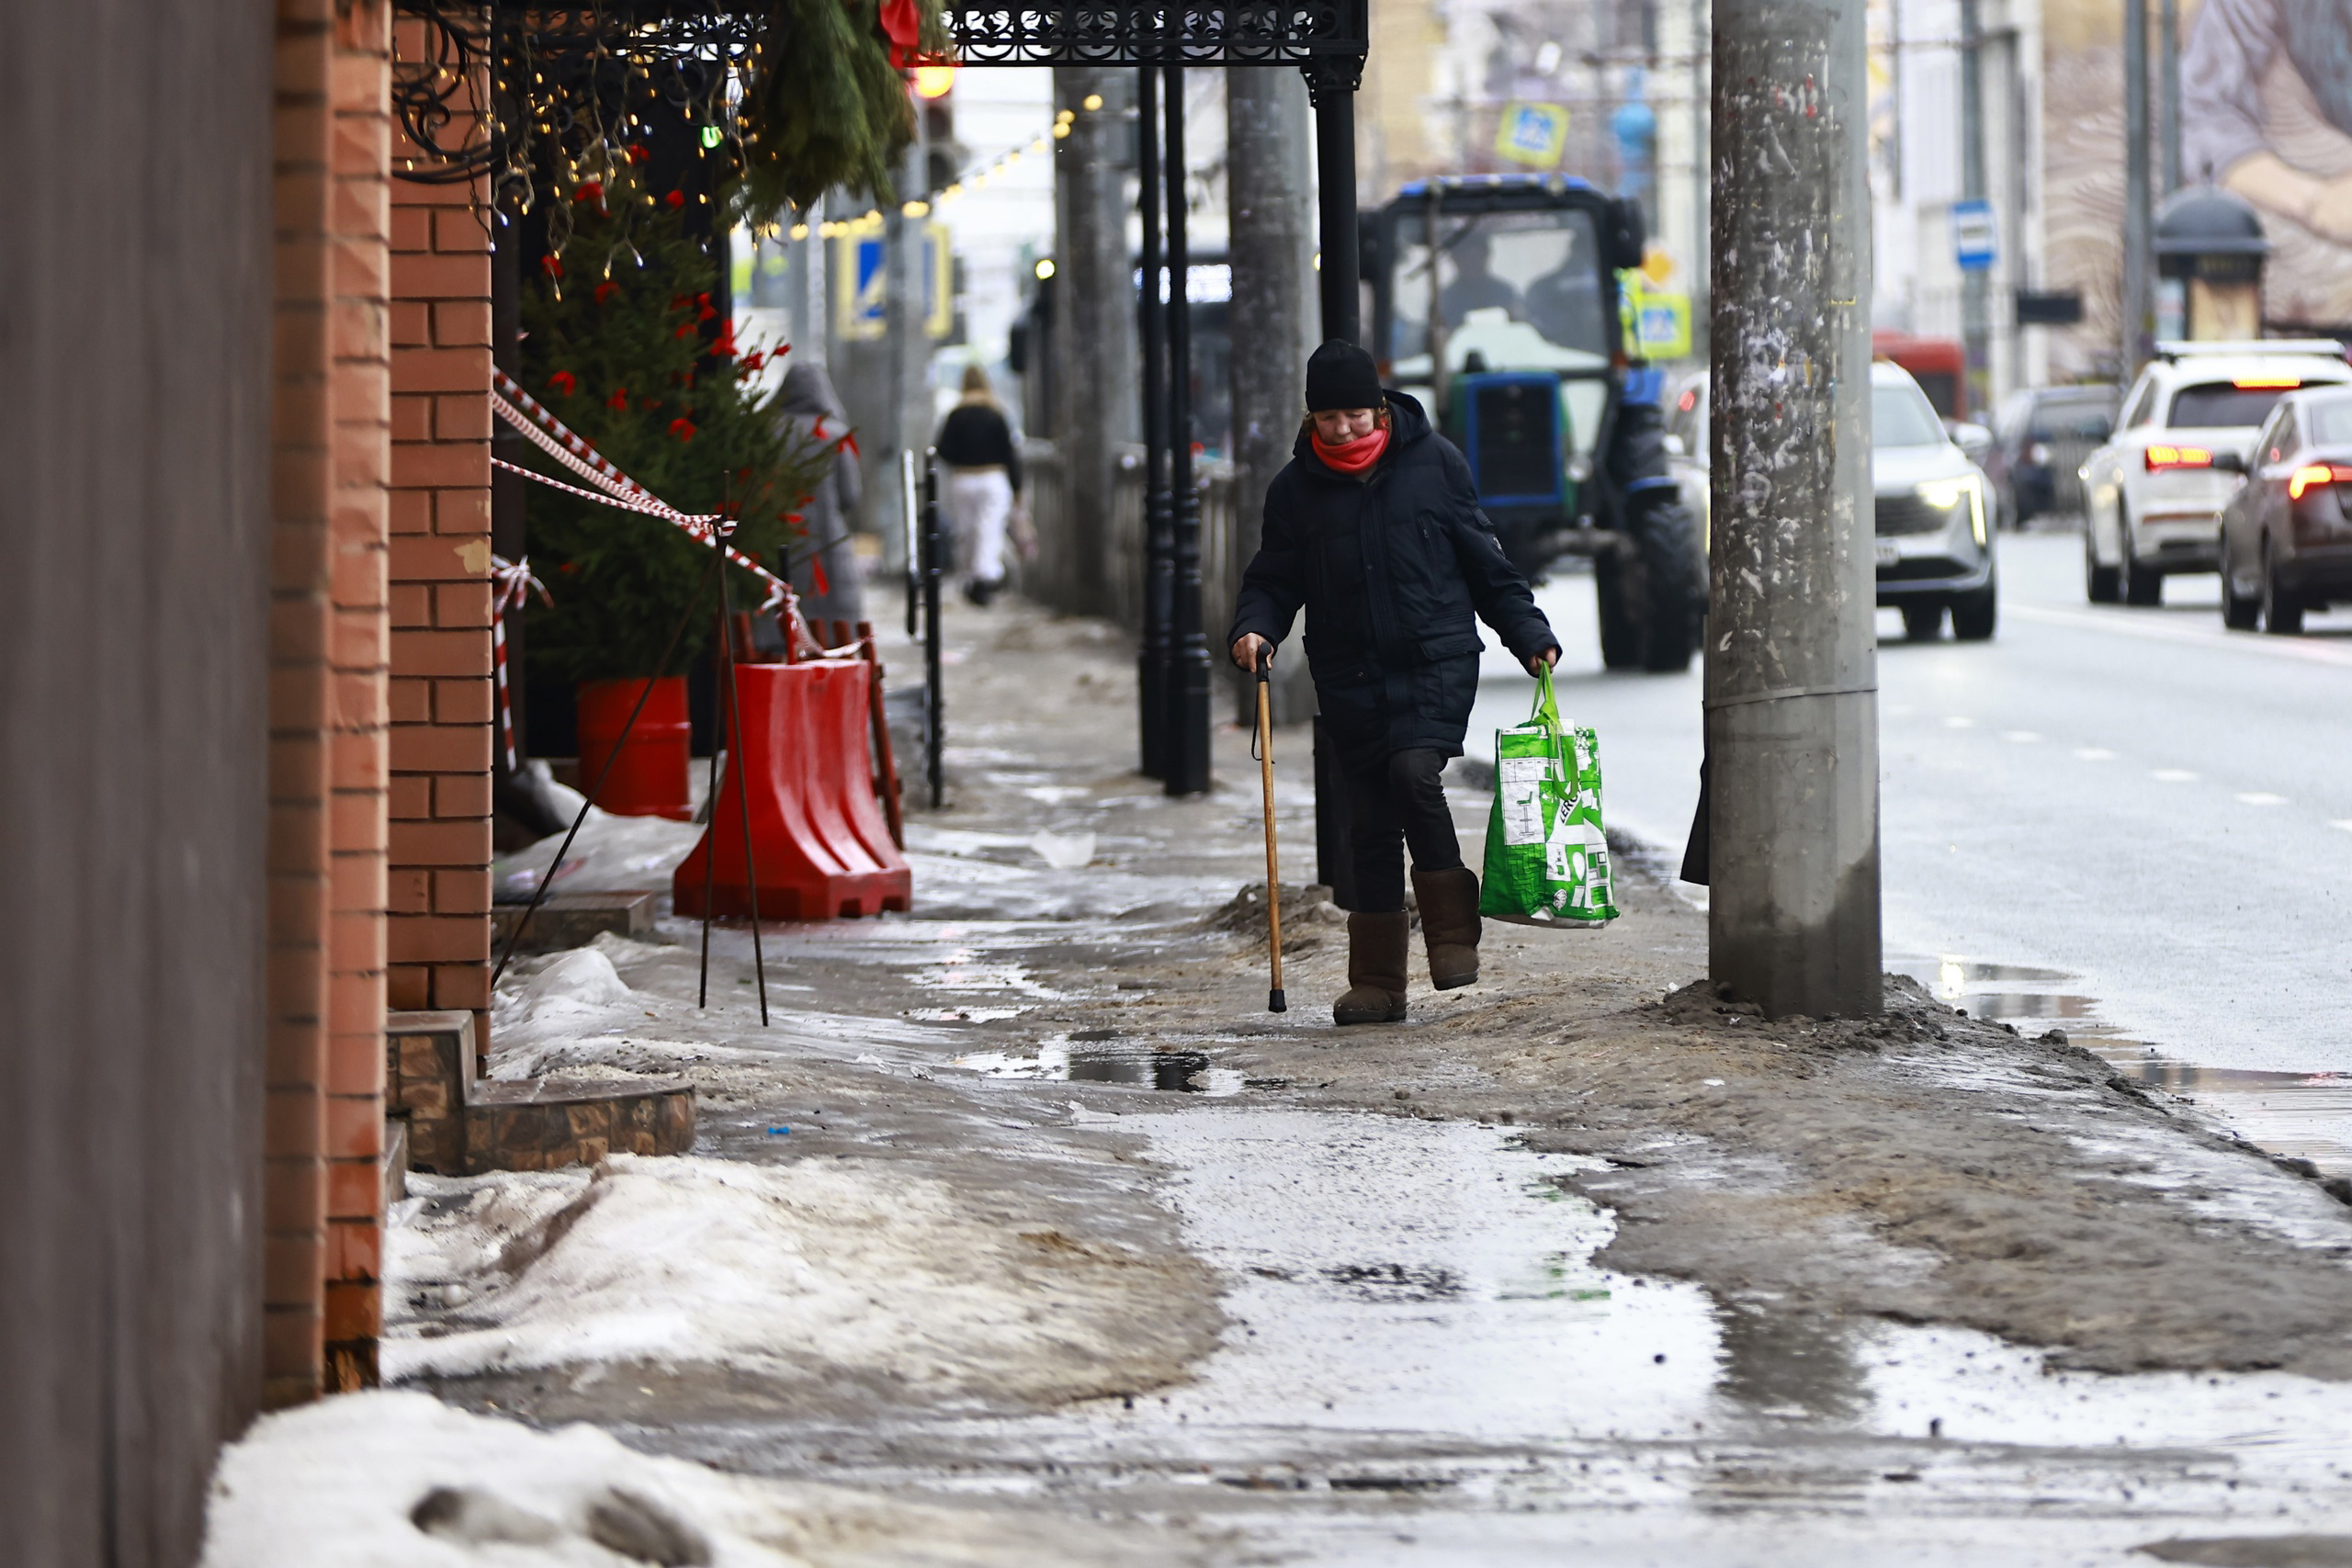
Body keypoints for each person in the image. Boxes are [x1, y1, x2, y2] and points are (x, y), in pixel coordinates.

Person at [1227, 341, 1561, 1026]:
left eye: (1354, 413)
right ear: (1311, 418)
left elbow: (1484, 563)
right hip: (1349, 673)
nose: (1343, 428)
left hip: (1435, 658)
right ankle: (1377, 983)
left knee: (1414, 772)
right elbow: (1273, 578)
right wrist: (1255, 628)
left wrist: (1528, 633)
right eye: (1329, 417)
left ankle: (1450, 930)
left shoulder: (1433, 463)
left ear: (1379, 408)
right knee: (1369, 824)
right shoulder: (1294, 491)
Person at [771, 360, 864, 630]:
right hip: (827, 543)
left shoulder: (765, 431)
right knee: (831, 624)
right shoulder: (834, 434)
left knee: (779, 622)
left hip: (773, 539)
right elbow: (850, 495)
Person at [934, 364, 1023, 606]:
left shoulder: (956, 414)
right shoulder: (996, 412)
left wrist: (962, 459)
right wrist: (1017, 489)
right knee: (989, 528)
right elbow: (1009, 454)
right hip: (992, 477)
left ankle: (970, 578)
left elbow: (942, 449)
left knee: (966, 531)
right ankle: (985, 577)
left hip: (964, 479)